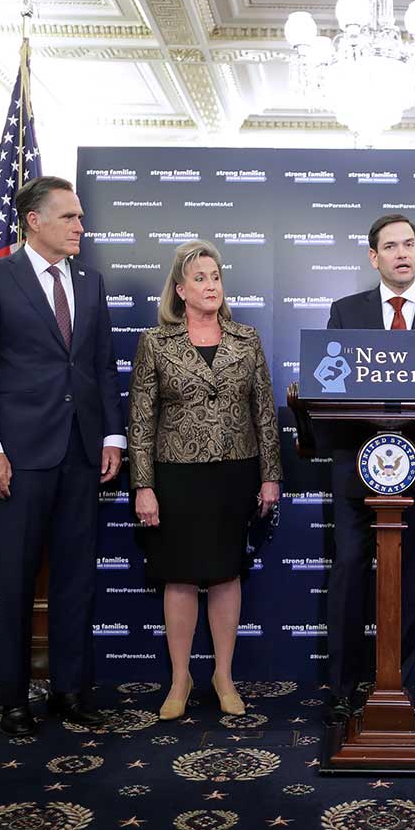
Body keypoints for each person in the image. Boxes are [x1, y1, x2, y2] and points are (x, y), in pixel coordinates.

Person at [0, 175, 125, 736]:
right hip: (20, 457)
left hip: (82, 452)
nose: (82, 226)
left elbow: (102, 367)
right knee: (18, 582)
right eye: (70, 217)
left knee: (77, 580)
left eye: (80, 217)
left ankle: (70, 692)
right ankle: (14, 700)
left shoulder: (91, 280)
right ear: (35, 220)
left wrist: (112, 437)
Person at [323, 213, 415, 724]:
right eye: (391, 246)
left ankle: (396, 684)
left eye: (409, 244)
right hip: (356, 470)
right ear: (374, 257)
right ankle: (343, 688)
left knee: (409, 579)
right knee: (348, 573)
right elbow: (331, 389)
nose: (402, 253)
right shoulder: (346, 312)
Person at [129, 240, 282, 721]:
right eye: (199, 278)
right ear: (180, 289)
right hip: (175, 475)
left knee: (224, 574)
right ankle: (179, 679)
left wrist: (271, 476)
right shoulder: (156, 341)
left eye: (215, 276)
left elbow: (264, 412)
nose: (210, 285)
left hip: (235, 472)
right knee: (179, 577)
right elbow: (140, 418)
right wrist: (143, 485)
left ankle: (223, 675)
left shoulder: (246, 339)